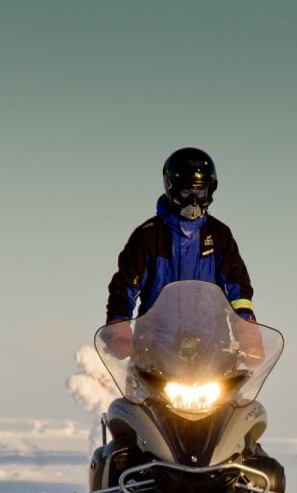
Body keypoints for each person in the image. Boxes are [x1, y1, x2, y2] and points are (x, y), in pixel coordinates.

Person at [104, 148, 257, 360]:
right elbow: (124, 288)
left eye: (200, 192)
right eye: (187, 192)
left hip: (213, 352)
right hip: (154, 354)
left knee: (243, 393)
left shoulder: (219, 234)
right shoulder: (147, 236)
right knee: (130, 394)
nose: (194, 201)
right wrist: (118, 331)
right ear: (171, 188)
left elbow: (237, 287)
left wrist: (247, 329)